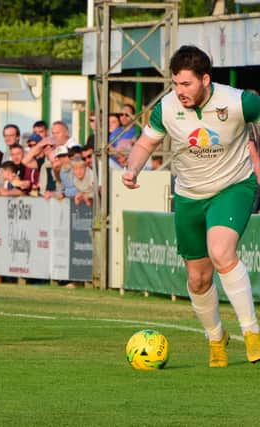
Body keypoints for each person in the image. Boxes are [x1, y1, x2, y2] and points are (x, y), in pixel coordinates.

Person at [122, 45, 260, 367]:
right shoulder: (167, 108)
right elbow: (145, 143)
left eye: (186, 84)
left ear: (205, 80)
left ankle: (252, 333)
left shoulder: (238, 101)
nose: (179, 91)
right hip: (188, 196)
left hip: (233, 187)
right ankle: (216, 338)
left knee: (221, 252)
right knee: (198, 279)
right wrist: (132, 168)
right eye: (175, 84)